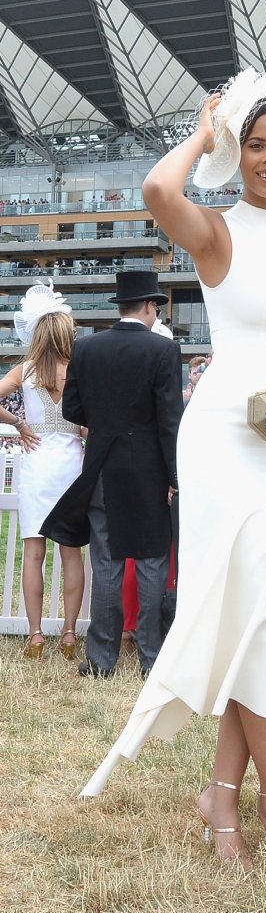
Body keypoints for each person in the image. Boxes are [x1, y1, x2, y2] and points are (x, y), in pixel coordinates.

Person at [76, 67, 266, 874]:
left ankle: (222, 794)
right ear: (238, 151)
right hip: (224, 441)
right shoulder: (214, 231)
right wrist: (205, 126)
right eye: (257, 145)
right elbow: (154, 186)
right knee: (260, 619)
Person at [41, 270, 183, 678]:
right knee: (154, 561)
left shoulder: (86, 348)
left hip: (101, 466)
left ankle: (101, 660)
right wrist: (175, 475)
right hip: (150, 472)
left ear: (120, 306)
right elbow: (170, 420)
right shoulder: (162, 351)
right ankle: (152, 659)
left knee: (106, 562)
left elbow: (71, 409)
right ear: (150, 306)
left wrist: (103, 426)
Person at [0, 281, 85, 659]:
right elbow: (88, 426)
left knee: (33, 553)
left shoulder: (25, 370)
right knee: (71, 554)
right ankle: (68, 632)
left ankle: (35, 633)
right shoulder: (80, 371)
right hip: (71, 467)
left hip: (35, 465)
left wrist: (17, 423)